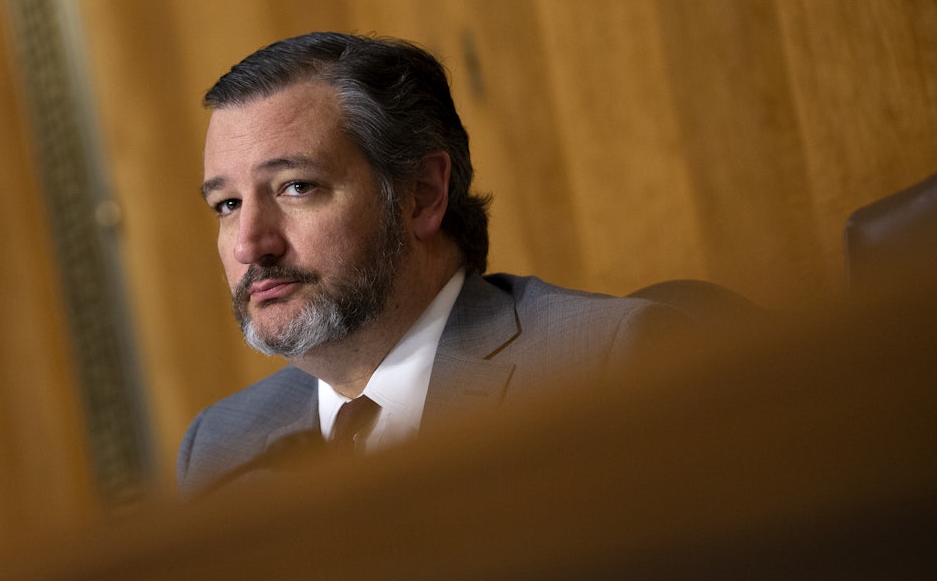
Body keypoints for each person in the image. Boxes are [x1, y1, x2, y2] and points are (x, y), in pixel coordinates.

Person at [177, 32, 688, 496]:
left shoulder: (604, 370)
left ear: (422, 195)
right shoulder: (221, 448)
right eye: (228, 204)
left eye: (297, 186)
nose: (250, 246)